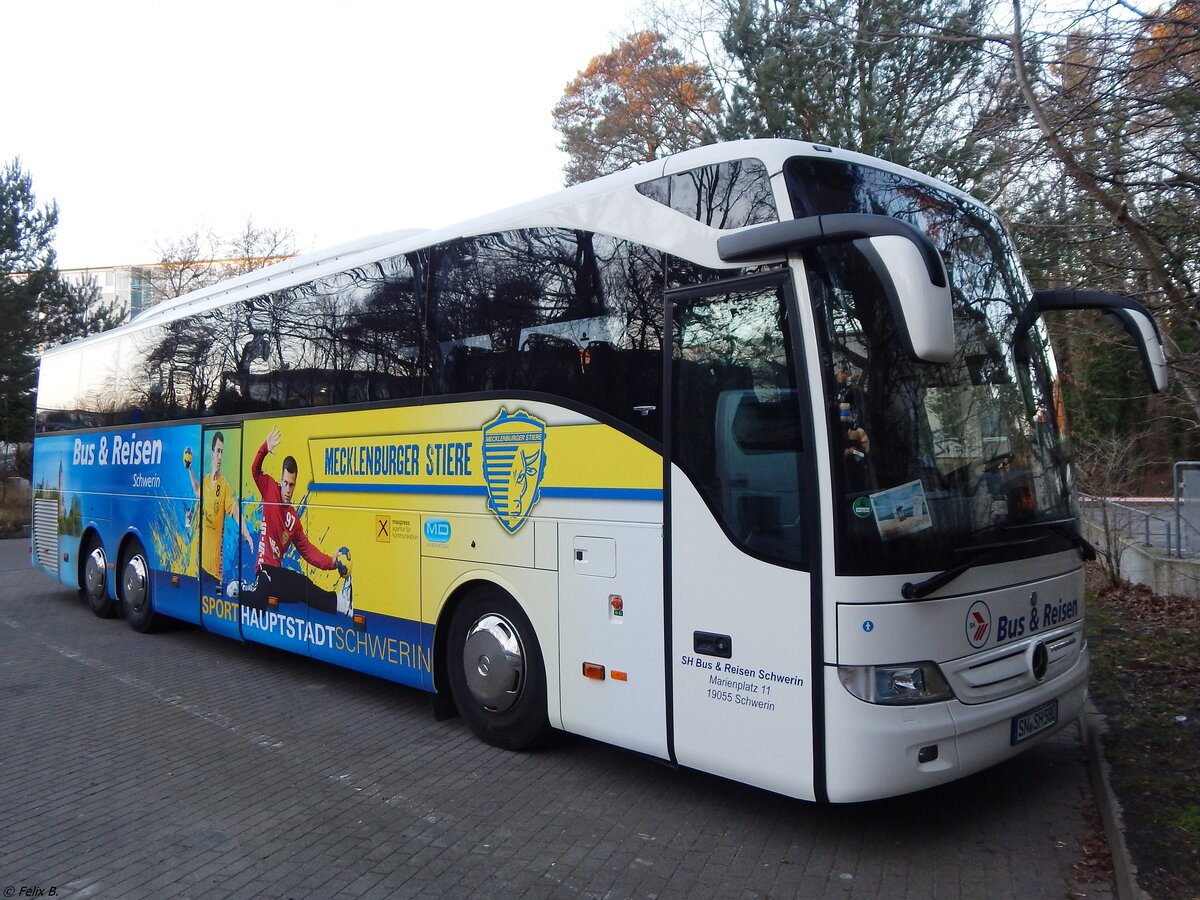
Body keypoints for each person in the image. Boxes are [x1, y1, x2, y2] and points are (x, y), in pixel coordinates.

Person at [238, 426, 353, 616]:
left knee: (302, 586)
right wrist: (264, 449)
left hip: (277, 577)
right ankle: (239, 591)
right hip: (264, 571)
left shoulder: (294, 520)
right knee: (262, 598)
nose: (288, 490)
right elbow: (255, 470)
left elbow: (308, 552)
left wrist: (332, 562)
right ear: (280, 480)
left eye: (292, 485)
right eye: (285, 483)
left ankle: (340, 603)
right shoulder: (269, 489)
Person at [187, 431, 253, 599]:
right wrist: (190, 470)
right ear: (212, 453)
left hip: (216, 571)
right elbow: (196, 492)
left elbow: (237, 514)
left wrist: (247, 534)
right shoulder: (206, 481)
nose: (220, 456)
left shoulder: (224, 487)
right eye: (218, 451)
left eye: (222, 452)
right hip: (201, 565)